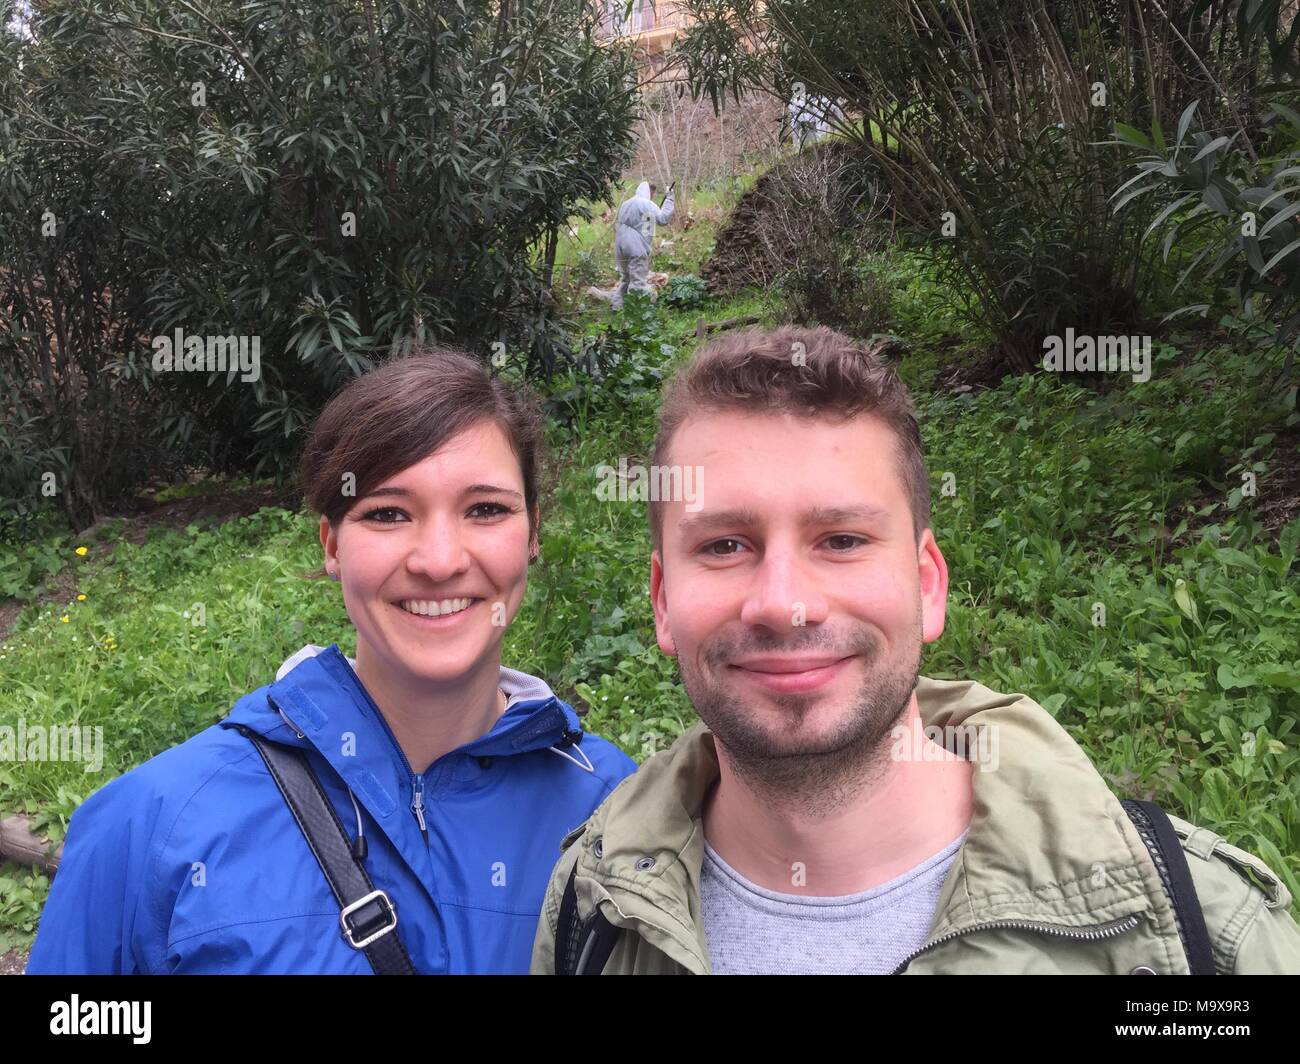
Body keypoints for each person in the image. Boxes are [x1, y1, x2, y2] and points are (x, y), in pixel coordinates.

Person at [532, 324, 1300, 974]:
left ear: (928, 585)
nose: (782, 603)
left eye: (841, 539)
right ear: (663, 600)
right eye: (726, 544)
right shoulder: (590, 914)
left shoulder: (1201, 933)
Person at [27, 346, 635, 974]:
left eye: (485, 509)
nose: (439, 560)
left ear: (532, 533)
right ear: (332, 545)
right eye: (387, 513)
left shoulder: (622, 815)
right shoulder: (153, 823)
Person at [611, 179, 674, 310]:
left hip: (619, 247)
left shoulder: (626, 204)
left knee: (625, 279)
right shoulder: (646, 203)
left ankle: (617, 308)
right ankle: (638, 313)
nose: (654, 197)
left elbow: (644, 227)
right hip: (635, 248)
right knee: (637, 282)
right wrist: (669, 199)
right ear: (650, 193)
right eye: (654, 195)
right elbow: (663, 219)